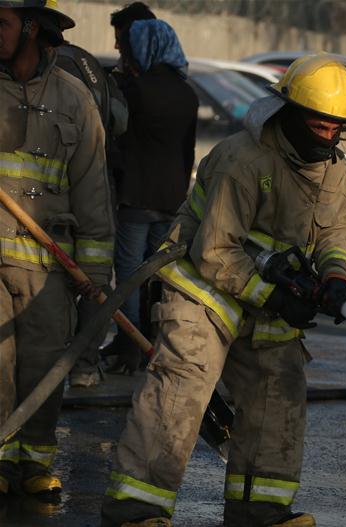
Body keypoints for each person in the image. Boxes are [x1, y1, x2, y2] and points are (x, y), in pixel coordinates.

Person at [100, 54, 346, 527]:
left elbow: (340, 233)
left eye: (337, 127)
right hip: (202, 288)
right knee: (183, 384)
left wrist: (335, 279)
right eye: (319, 124)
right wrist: (279, 297)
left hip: (265, 295)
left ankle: (258, 507)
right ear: (288, 114)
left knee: (279, 388)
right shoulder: (244, 160)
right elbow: (217, 252)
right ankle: (136, 504)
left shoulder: (330, 167)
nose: (329, 136)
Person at [0, 0, 113, 496]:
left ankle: (35, 462)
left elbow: (92, 192)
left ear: (30, 27)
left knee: (45, 366)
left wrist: (95, 278)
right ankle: (0, 458)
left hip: (48, 268)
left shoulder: (74, 101)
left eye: (0, 22)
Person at [102, 15, 198, 375]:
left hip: (136, 197)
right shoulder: (188, 93)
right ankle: (154, 345)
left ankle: (130, 345)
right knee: (158, 277)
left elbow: (118, 141)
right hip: (171, 200)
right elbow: (187, 152)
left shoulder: (135, 91)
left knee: (128, 277)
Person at [54, 33, 129, 388]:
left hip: (59, 196)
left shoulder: (56, 73)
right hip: (98, 183)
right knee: (92, 280)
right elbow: (121, 120)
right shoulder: (89, 65)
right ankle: (83, 366)